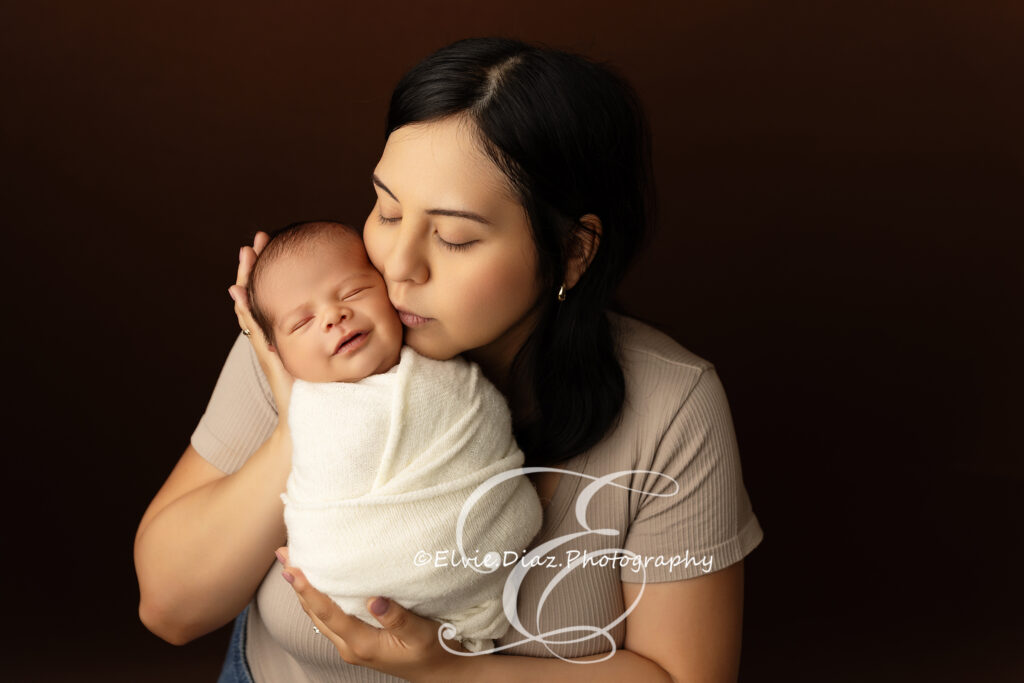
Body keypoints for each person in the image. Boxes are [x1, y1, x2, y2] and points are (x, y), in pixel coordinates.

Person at [134, 37, 764, 683]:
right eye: (386, 209)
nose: (398, 267)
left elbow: (684, 675)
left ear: (573, 250)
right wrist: (303, 420)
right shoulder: (323, 331)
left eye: (455, 236)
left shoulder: (671, 403)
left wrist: (454, 670)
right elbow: (172, 609)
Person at [245, 219, 542, 653]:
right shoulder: (311, 411)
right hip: (348, 577)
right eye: (303, 321)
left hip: (478, 557)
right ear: (276, 352)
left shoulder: (448, 374)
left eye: (352, 293)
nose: (334, 316)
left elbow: (488, 430)